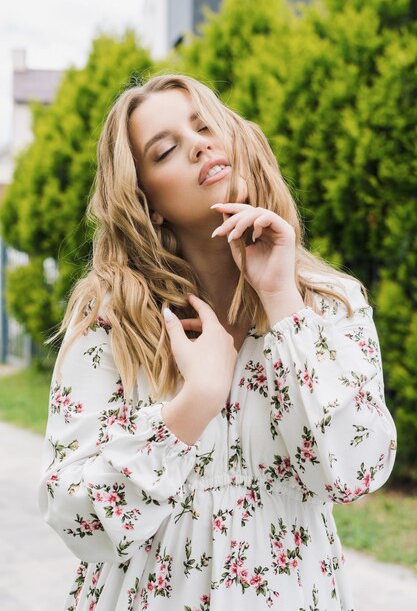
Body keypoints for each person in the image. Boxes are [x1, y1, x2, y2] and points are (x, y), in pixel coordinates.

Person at [39, 74, 397, 611]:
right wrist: (191, 407)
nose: (199, 144)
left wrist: (282, 302)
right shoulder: (114, 322)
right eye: (166, 150)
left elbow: (358, 469)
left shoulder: (331, 305)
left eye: (205, 125)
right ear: (147, 200)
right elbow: (74, 517)